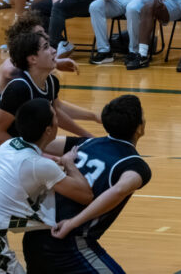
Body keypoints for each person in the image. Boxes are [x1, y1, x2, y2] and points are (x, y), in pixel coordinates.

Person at [23, 95, 151, 274]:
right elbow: (119, 190)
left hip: (34, 237)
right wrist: (73, 223)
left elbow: (35, 141)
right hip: (67, 242)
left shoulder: (86, 143)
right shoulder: (134, 165)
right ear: (139, 127)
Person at [0, 99, 93, 274]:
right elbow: (86, 195)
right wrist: (68, 163)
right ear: (48, 130)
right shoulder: (40, 165)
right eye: (55, 117)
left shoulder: (10, 144)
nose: (58, 120)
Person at [0, 31, 94, 144]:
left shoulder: (51, 82)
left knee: (88, 146)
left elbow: (57, 113)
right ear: (33, 59)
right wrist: (34, 154)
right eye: (46, 47)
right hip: (10, 148)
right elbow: (0, 132)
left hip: (31, 143)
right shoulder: (19, 88)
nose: (54, 50)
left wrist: (90, 135)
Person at [0, 13, 81, 95]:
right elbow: (10, 70)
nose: (46, 36)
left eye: (44, 32)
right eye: (40, 33)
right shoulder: (11, 64)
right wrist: (57, 63)